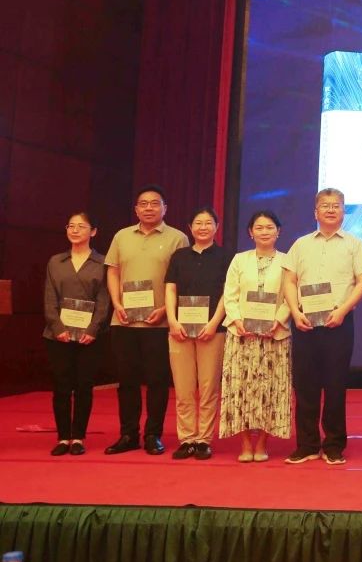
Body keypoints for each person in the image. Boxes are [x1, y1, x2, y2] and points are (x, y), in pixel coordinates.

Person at [281, 188, 362, 465]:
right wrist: (295, 312)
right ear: (315, 212)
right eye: (325, 205)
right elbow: (289, 280)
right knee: (305, 386)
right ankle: (307, 444)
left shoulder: (355, 244)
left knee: (335, 386)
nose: (331, 210)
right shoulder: (300, 244)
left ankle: (333, 445)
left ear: (344, 211)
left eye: (336, 205)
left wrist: (343, 310)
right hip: (305, 322)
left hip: (338, 322)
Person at [104, 185, 190, 455]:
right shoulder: (121, 236)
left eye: (155, 203)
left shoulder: (178, 238)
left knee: (157, 381)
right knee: (126, 381)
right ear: (136, 209)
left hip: (159, 323)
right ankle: (128, 434)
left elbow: (182, 279)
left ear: (165, 208)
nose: (149, 208)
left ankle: (153, 434)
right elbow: (113, 272)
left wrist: (165, 309)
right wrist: (117, 303)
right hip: (124, 321)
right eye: (144, 203)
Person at [220, 211, 293, 462]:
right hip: (241, 335)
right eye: (259, 228)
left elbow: (291, 297)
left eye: (269, 227)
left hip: (275, 336)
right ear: (250, 232)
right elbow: (230, 294)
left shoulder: (287, 261)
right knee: (240, 389)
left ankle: (262, 442)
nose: (264, 232)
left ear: (278, 231)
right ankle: (244, 443)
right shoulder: (239, 260)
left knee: (270, 389)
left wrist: (278, 320)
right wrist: (237, 320)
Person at [163, 207, 233, 460]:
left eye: (208, 223)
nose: (203, 227)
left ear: (217, 227)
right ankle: (187, 439)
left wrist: (214, 323)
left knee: (208, 387)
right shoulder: (179, 256)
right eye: (198, 223)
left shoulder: (226, 257)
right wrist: (172, 321)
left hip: (212, 331)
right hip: (179, 330)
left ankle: (203, 439)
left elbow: (228, 293)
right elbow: (170, 289)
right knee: (183, 389)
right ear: (190, 228)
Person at [43, 212, 111, 456]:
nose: (74, 230)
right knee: (61, 386)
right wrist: (58, 328)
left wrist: (93, 329)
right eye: (70, 226)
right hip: (58, 335)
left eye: (81, 226)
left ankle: (79, 437)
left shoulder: (103, 263)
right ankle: (63, 437)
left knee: (84, 386)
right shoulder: (55, 261)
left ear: (93, 231)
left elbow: (104, 300)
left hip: (89, 336)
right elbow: (49, 298)